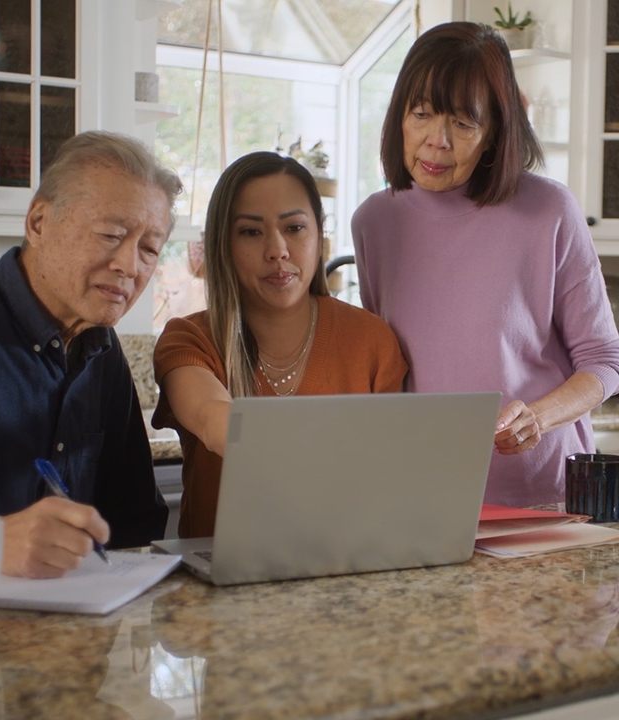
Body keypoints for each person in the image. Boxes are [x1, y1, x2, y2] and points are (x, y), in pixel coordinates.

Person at [351, 21, 619, 507]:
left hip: (540, 497)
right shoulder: (374, 223)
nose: (438, 141)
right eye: (422, 114)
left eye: (463, 123)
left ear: (495, 132)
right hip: (424, 495)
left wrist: (537, 417)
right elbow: (386, 366)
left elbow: (605, 361)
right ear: (400, 118)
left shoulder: (549, 211)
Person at [0, 130, 183, 577]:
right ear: (38, 223)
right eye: (111, 234)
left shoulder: (101, 352)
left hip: (74, 630)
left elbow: (133, 521)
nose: (130, 265)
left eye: (149, 249)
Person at [152, 151, 407, 537]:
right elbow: (211, 416)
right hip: (219, 586)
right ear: (225, 244)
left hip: (344, 570)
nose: (277, 250)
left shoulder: (372, 341)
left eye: (294, 228)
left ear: (318, 234)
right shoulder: (190, 338)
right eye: (251, 232)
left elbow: (392, 479)